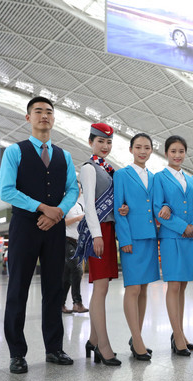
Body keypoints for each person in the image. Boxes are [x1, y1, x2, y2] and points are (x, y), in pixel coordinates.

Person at [0, 96, 79, 374]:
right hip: (24, 227)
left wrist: (58, 212)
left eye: (49, 112)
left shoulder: (64, 156)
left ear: (54, 119)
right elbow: (7, 190)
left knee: (54, 288)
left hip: (55, 228)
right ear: (28, 118)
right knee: (18, 288)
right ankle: (16, 353)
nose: (44, 115)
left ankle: (54, 348)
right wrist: (43, 208)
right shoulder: (15, 151)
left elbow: (73, 189)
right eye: (38, 111)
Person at [77, 122, 121, 366]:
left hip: (108, 229)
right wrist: (96, 235)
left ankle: (93, 340)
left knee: (102, 287)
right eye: (100, 141)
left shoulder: (107, 168)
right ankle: (103, 346)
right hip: (99, 231)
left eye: (108, 142)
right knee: (100, 287)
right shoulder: (89, 168)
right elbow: (90, 206)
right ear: (90, 142)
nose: (105, 146)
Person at [113, 133, 160, 361]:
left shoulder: (154, 177)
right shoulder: (121, 175)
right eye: (138, 147)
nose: (143, 151)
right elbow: (118, 208)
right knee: (132, 289)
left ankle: (137, 337)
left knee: (144, 289)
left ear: (151, 150)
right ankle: (137, 339)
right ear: (131, 149)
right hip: (132, 238)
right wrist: (125, 240)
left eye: (147, 147)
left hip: (150, 238)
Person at [153, 135, 193, 357]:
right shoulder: (159, 178)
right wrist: (183, 227)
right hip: (172, 238)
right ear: (166, 153)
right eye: (173, 151)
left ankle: (179, 334)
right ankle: (178, 337)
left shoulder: (191, 180)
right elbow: (158, 210)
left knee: (183, 286)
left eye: (181, 151)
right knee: (173, 286)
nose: (177, 155)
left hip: (190, 238)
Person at [62, 184, 88, 314]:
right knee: (77, 270)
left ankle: (60, 303)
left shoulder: (79, 206)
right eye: (75, 188)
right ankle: (77, 303)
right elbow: (60, 223)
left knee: (67, 275)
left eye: (80, 189)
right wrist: (78, 218)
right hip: (66, 241)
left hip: (77, 242)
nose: (78, 191)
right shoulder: (64, 204)